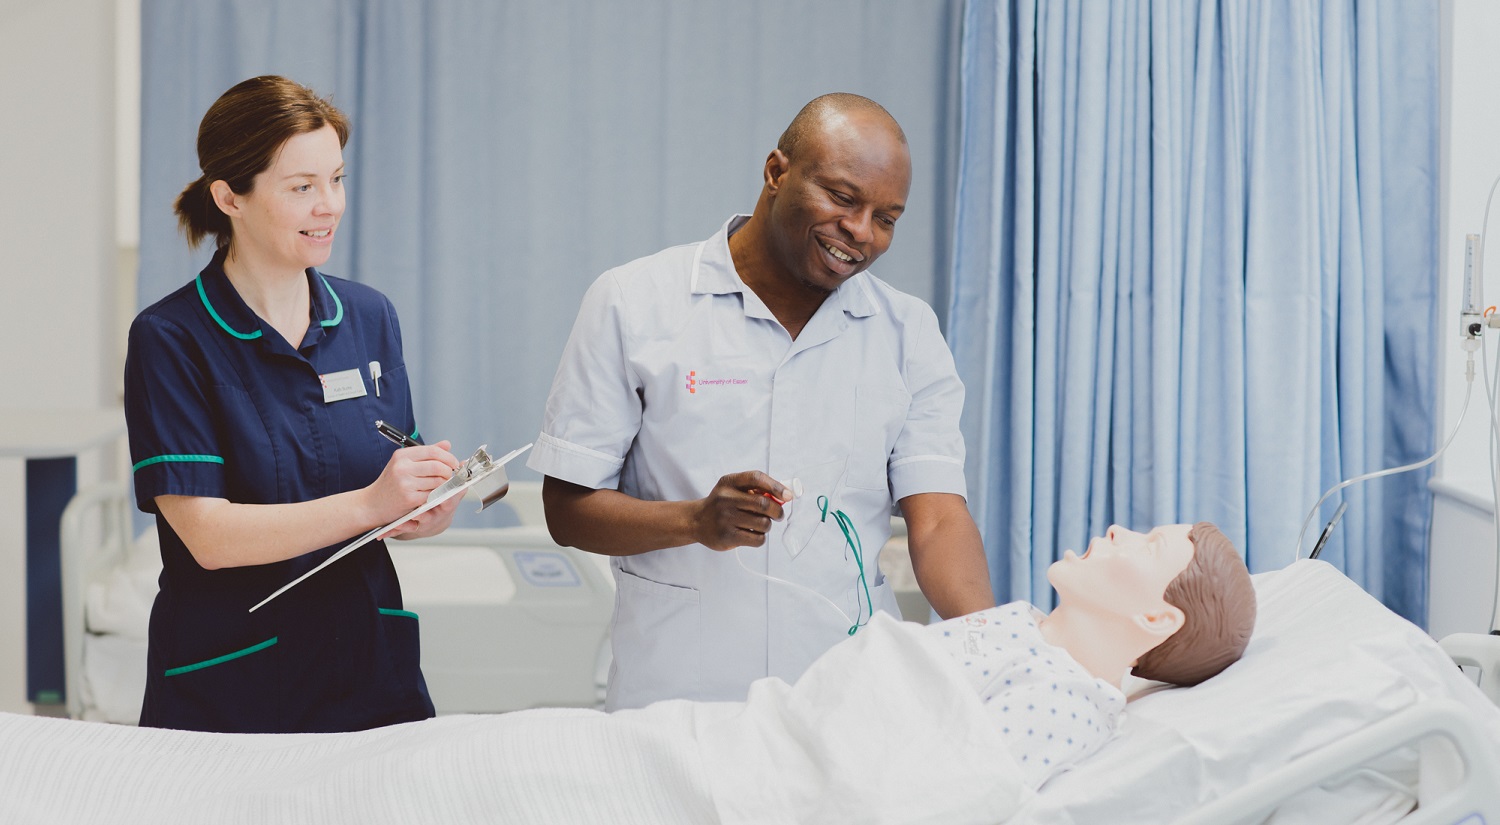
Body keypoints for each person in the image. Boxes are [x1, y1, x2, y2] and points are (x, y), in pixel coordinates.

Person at [529, 93, 996, 710]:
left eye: (887, 217)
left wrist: (995, 650)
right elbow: (568, 510)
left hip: (845, 697)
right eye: (843, 197)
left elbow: (937, 519)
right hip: (680, 699)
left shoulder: (906, 332)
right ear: (776, 172)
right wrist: (695, 521)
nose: (861, 233)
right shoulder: (635, 303)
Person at [123, 76, 464, 733]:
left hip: (370, 670)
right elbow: (209, 537)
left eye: (336, 179)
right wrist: (370, 504)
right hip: (234, 683)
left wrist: (424, 507)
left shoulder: (369, 316)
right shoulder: (172, 339)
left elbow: (396, 475)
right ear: (230, 197)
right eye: (301, 187)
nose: (329, 205)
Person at [921, 521, 1256, 789]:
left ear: (1157, 618)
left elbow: (943, 789)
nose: (1117, 531)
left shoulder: (1066, 701)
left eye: (1150, 546)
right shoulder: (1024, 621)